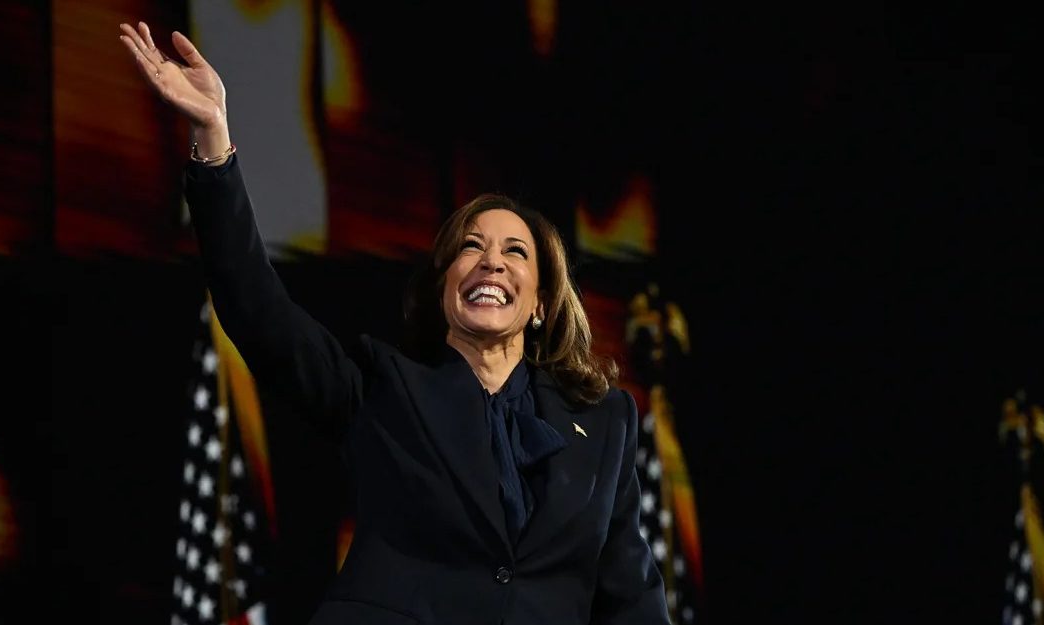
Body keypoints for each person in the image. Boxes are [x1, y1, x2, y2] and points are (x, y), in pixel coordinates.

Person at [119, 21, 670, 625]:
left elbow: (633, 597)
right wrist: (213, 139)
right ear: (444, 289)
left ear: (541, 303)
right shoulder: (385, 388)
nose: (491, 261)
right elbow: (259, 311)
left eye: (515, 252)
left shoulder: (605, 423)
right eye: (471, 247)